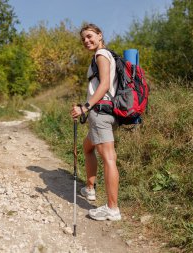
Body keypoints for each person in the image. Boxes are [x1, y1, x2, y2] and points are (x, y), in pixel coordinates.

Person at [70, 24, 121, 221]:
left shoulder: (101, 55)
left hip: (100, 112)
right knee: (87, 146)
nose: (86, 41)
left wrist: (85, 107)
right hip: (103, 112)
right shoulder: (102, 55)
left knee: (108, 157)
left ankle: (112, 208)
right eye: (83, 39)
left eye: (89, 36)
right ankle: (90, 189)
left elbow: (105, 84)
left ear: (100, 35)